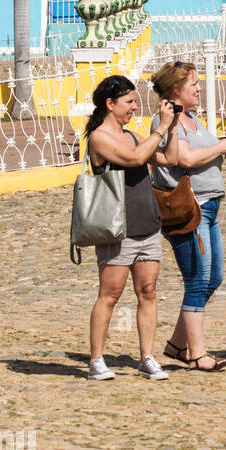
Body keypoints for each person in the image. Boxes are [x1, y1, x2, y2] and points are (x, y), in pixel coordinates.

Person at [151, 59, 226, 370]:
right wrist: (222, 147)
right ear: (175, 90)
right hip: (189, 209)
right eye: (193, 84)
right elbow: (186, 159)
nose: (198, 88)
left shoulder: (192, 118)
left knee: (213, 278)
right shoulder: (166, 123)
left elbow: (204, 160)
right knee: (197, 279)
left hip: (209, 205)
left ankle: (177, 344)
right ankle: (197, 353)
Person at [85, 74, 176, 383]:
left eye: (135, 101)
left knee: (148, 291)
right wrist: (160, 128)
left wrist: (173, 126)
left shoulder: (135, 136)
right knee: (110, 294)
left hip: (147, 225)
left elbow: (169, 158)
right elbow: (136, 158)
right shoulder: (100, 138)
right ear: (110, 104)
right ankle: (96, 359)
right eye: (129, 102)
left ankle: (147, 357)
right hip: (117, 229)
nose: (135, 107)